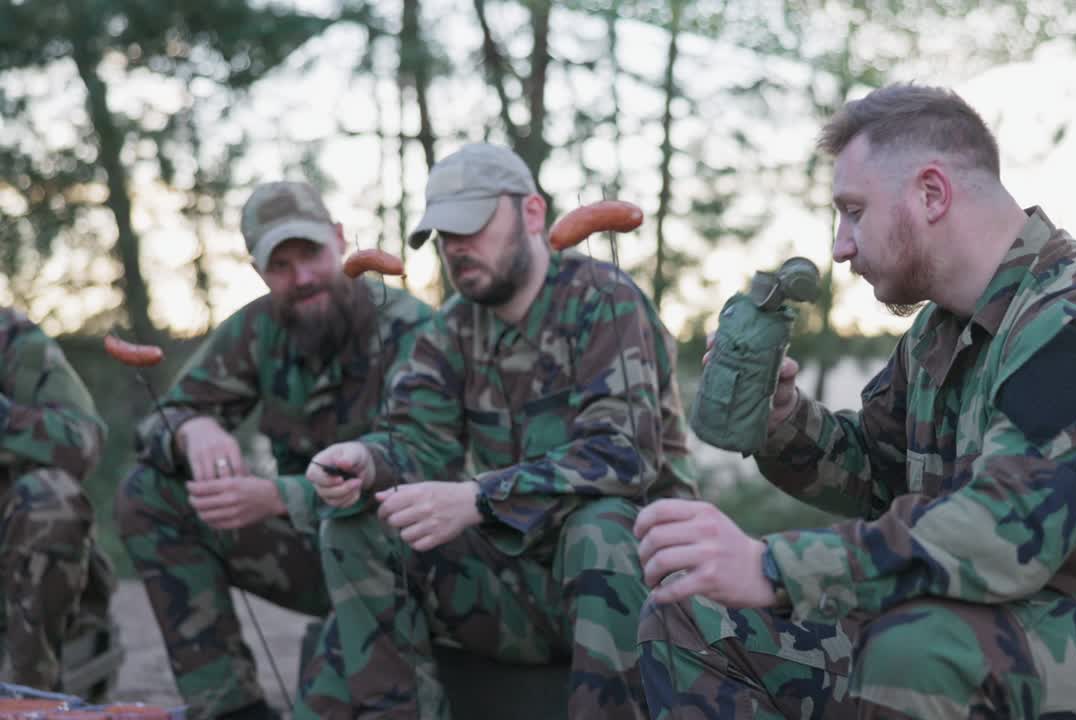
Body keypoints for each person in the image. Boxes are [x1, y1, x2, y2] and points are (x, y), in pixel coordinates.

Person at [634, 83, 1076, 719]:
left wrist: (774, 566)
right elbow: (876, 470)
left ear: (931, 194)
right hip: (976, 629)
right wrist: (785, 422)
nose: (840, 245)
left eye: (854, 211)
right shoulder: (939, 331)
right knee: (692, 620)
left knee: (920, 648)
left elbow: (998, 529)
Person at [304, 142, 698, 720]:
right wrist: (363, 460)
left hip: (640, 589)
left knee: (602, 526)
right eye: (443, 235)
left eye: (472, 226)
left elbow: (624, 457)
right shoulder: (451, 332)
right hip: (519, 592)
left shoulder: (604, 302)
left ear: (531, 214)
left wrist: (479, 498)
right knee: (356, 524)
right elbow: (415, 441)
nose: (457, 248)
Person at [115, 181, 431, 720]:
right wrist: (192, 429)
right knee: (146, 493)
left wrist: (280, 496)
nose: (301, 277)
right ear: (260, 271)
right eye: (281, 265)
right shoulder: (257, 329)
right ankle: (228, 706)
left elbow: (427, 459)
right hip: (308, 552)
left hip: (402, 557)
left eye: (310, 253)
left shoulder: (411, 327)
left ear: (339, 240)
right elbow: (160, 421)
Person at [0, 307, 112, 690]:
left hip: (13, 586)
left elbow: (81, 442)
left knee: (52, 497)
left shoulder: (13, 340)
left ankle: (30, 694)